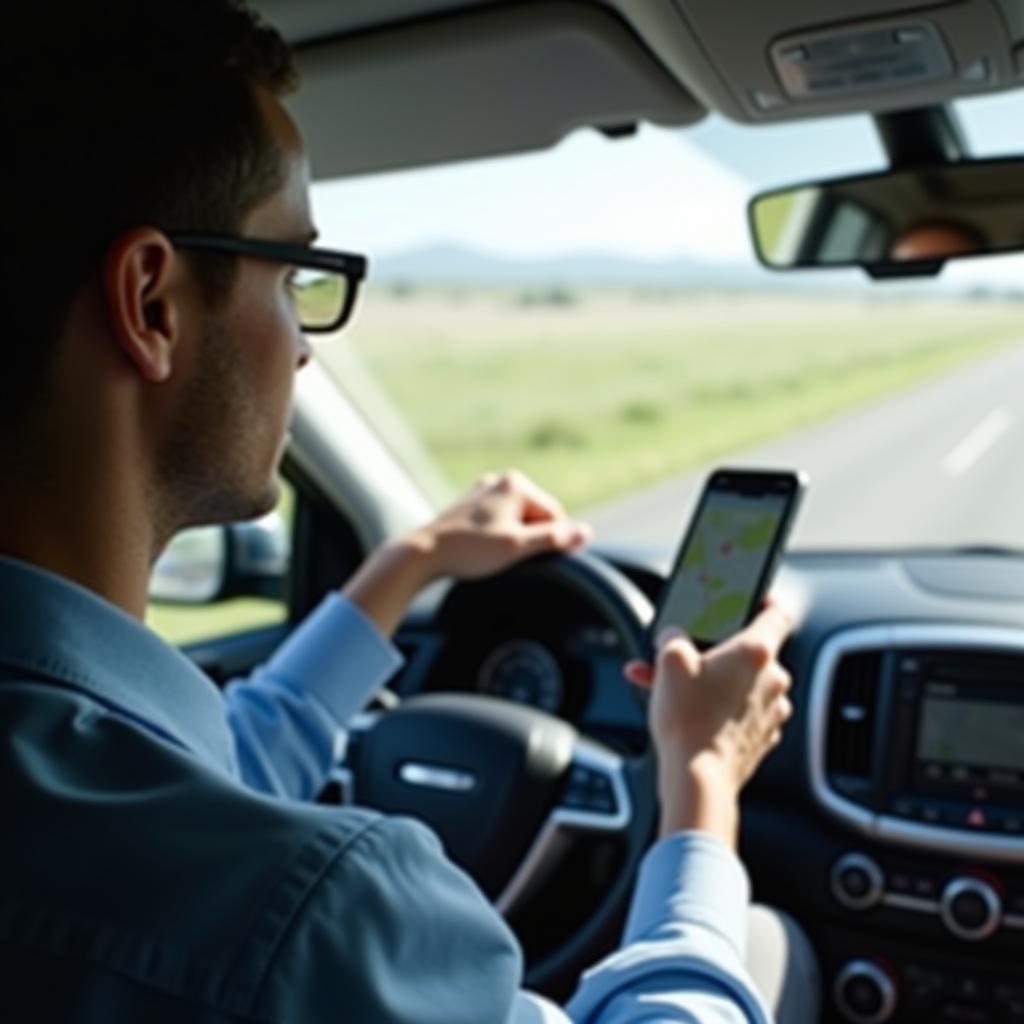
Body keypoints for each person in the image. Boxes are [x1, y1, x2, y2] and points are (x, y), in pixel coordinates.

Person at [0, 3, 818, 1021]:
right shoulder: (318, 920)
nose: (304, 344)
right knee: (766, 947)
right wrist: (701, 781)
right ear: (153, 304)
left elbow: (196, 778)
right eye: (294, 274)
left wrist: (411, 563)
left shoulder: (100, 805)